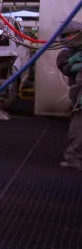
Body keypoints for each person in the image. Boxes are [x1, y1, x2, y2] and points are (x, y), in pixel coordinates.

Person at [56, 22, 82, 170]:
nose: (70, 37)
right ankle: (73, 157)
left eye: (73, 34)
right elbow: (66, 69)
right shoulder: (65, 54)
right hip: (78, 91)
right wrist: (73, 63)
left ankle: (73, 158)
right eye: (67, 35)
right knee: (78, 124)